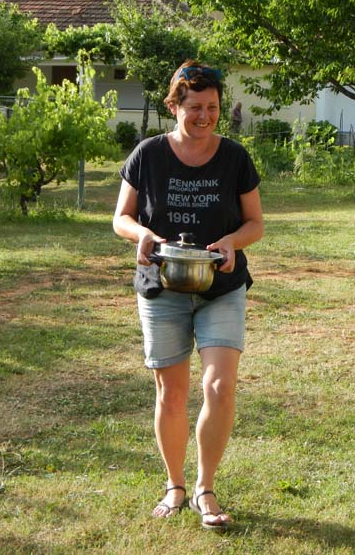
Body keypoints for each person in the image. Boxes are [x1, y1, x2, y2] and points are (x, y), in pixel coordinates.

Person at [113, 60, 264, 530]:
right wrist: (140, 235)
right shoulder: (148, 154)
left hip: (220, 287)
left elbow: (255, 223)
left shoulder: (235, 157)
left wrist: (232, 242)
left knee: (219, 386)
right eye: (194, 106)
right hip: (163, 287)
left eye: (212, 107)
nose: (204, 116)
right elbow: (121, 216)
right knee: (172, 393)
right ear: (174, 106)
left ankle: (206, 486)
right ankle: (174, 483)